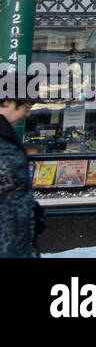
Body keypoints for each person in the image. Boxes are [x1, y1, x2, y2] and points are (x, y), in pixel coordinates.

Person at [1, 75, 41, 258]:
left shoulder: (7, 134)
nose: (27, 114)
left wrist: (31, 209)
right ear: (7, 101)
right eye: (26, 107)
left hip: (14, 238)